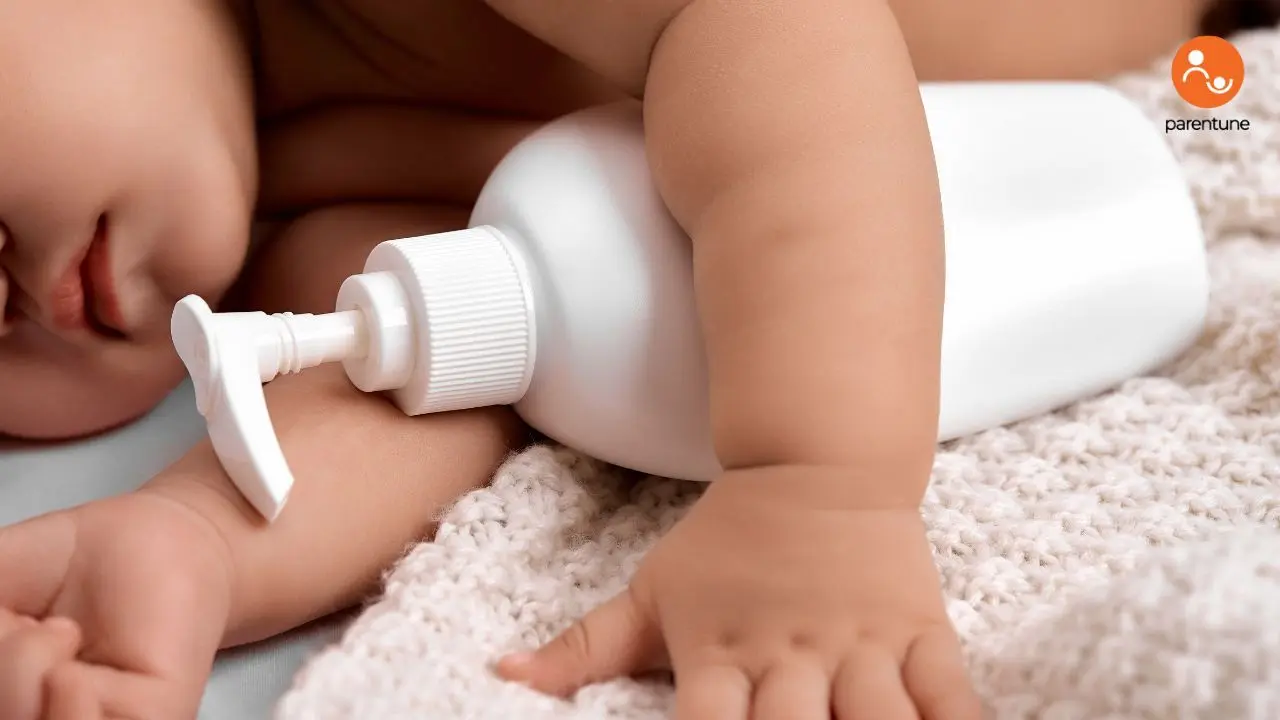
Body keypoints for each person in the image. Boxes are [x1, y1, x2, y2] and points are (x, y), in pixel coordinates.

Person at [0, 0, 1261, 717]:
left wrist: (810, 481)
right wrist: (195, 543)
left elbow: (769, 30)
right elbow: (443, 361)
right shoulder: (292, 230)